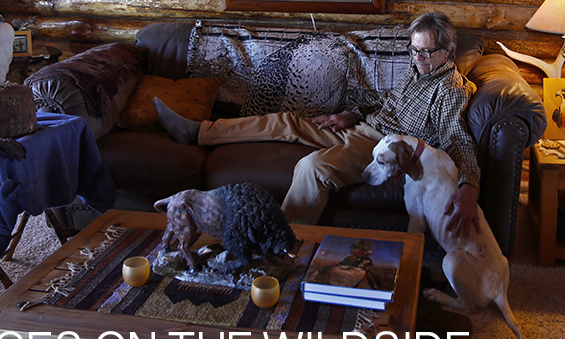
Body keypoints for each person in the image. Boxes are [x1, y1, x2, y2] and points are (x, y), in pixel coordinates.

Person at [153, 12, 481, 238]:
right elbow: (384, 103)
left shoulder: (450, 89)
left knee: (313, 168)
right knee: (283, 121)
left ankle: (280, 244)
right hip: (362, 128)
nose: (418, 58)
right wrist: (350, 115)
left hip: (380, 146)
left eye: (427, 52)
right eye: (414, 50)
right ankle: (197, 131)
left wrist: (468, 188)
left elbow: (458, 140)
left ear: (448, 51)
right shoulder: (418, 71)